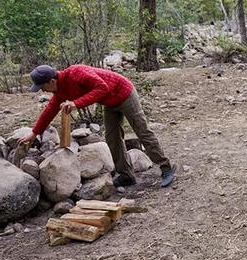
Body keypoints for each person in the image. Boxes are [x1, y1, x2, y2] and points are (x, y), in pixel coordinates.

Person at [20, 64, 176, 187]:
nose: (43, 90)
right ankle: (126, 175)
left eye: (42, 87)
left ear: (52, 81)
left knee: (142, 131)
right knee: (112, 138)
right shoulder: (59, 91)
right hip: (110, 102)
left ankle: (166, 167)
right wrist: (34, 133)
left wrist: (76, 103)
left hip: (124, 93)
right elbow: (49, 111)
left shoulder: (76, 72)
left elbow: (103, 87)